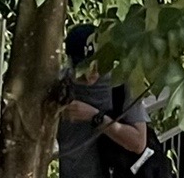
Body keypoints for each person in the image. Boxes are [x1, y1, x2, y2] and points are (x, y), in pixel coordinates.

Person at [56, 25, 149, 178]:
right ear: (71, 60)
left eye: (95, 66)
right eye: (83, 67)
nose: (89, 75)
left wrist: (95, 117)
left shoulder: (120, 83)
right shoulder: (59, 84)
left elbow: (138, 143)